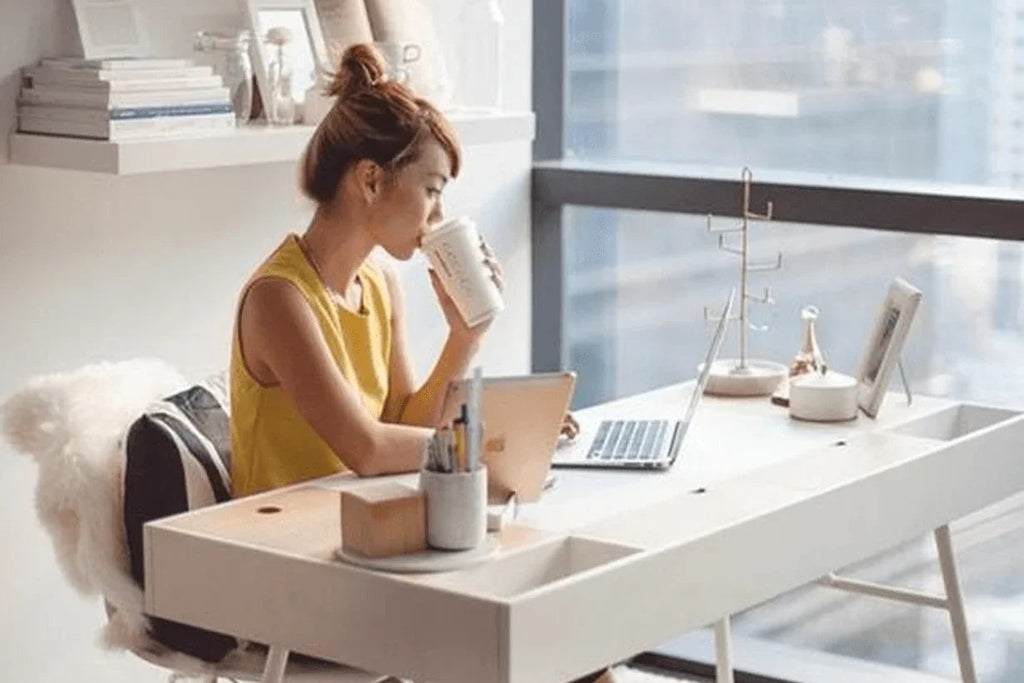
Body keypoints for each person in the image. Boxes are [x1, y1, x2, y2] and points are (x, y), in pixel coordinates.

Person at [229, 43, 502, 498]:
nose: (437, 216)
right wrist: (485, 448)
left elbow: (401, 425)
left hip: (356, 521)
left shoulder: (378, 283)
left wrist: (465, 336)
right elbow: (369, 450)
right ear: (371, 180)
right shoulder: (278, 298)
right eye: (432, 190)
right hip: (274, 545)